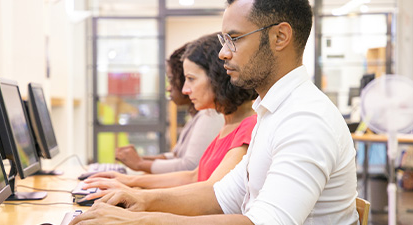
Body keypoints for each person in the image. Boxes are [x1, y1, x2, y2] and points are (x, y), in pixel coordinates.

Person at [70, 0, 359, 224]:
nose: (223, 54)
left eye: (234, 38)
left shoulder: (305, 119)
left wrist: (141, 219)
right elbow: (220, 195)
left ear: (280, 37)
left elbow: (267, 223)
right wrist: (139, 200)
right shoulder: (272, 113)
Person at [86, 33, 257, 191]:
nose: (184, 89)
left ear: (217, 78)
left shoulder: (245, 126)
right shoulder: (227, 124)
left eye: (191, 79)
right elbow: (193, 176)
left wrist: (137, 196)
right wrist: (128, 181)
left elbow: (210, 195)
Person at [114, 44, 224, 174]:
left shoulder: (211, 115)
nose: (169, 88)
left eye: (191, 79)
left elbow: (190, 166)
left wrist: (140, 164)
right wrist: (139, 160)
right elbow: (178, 156)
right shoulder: (200, 114)